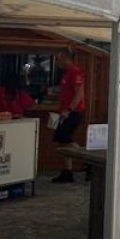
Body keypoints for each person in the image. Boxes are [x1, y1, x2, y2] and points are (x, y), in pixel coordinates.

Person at [51, 50, 88, 182]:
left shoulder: (75, 72)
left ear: (66, 59)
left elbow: (79, 94)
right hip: (66, 111)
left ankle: (89, 161)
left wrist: (69, 109)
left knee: (63, 137)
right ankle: (67, 171)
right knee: (63, 141)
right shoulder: (66, 74)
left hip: (74, 111)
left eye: (59, 59)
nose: (57, 63)